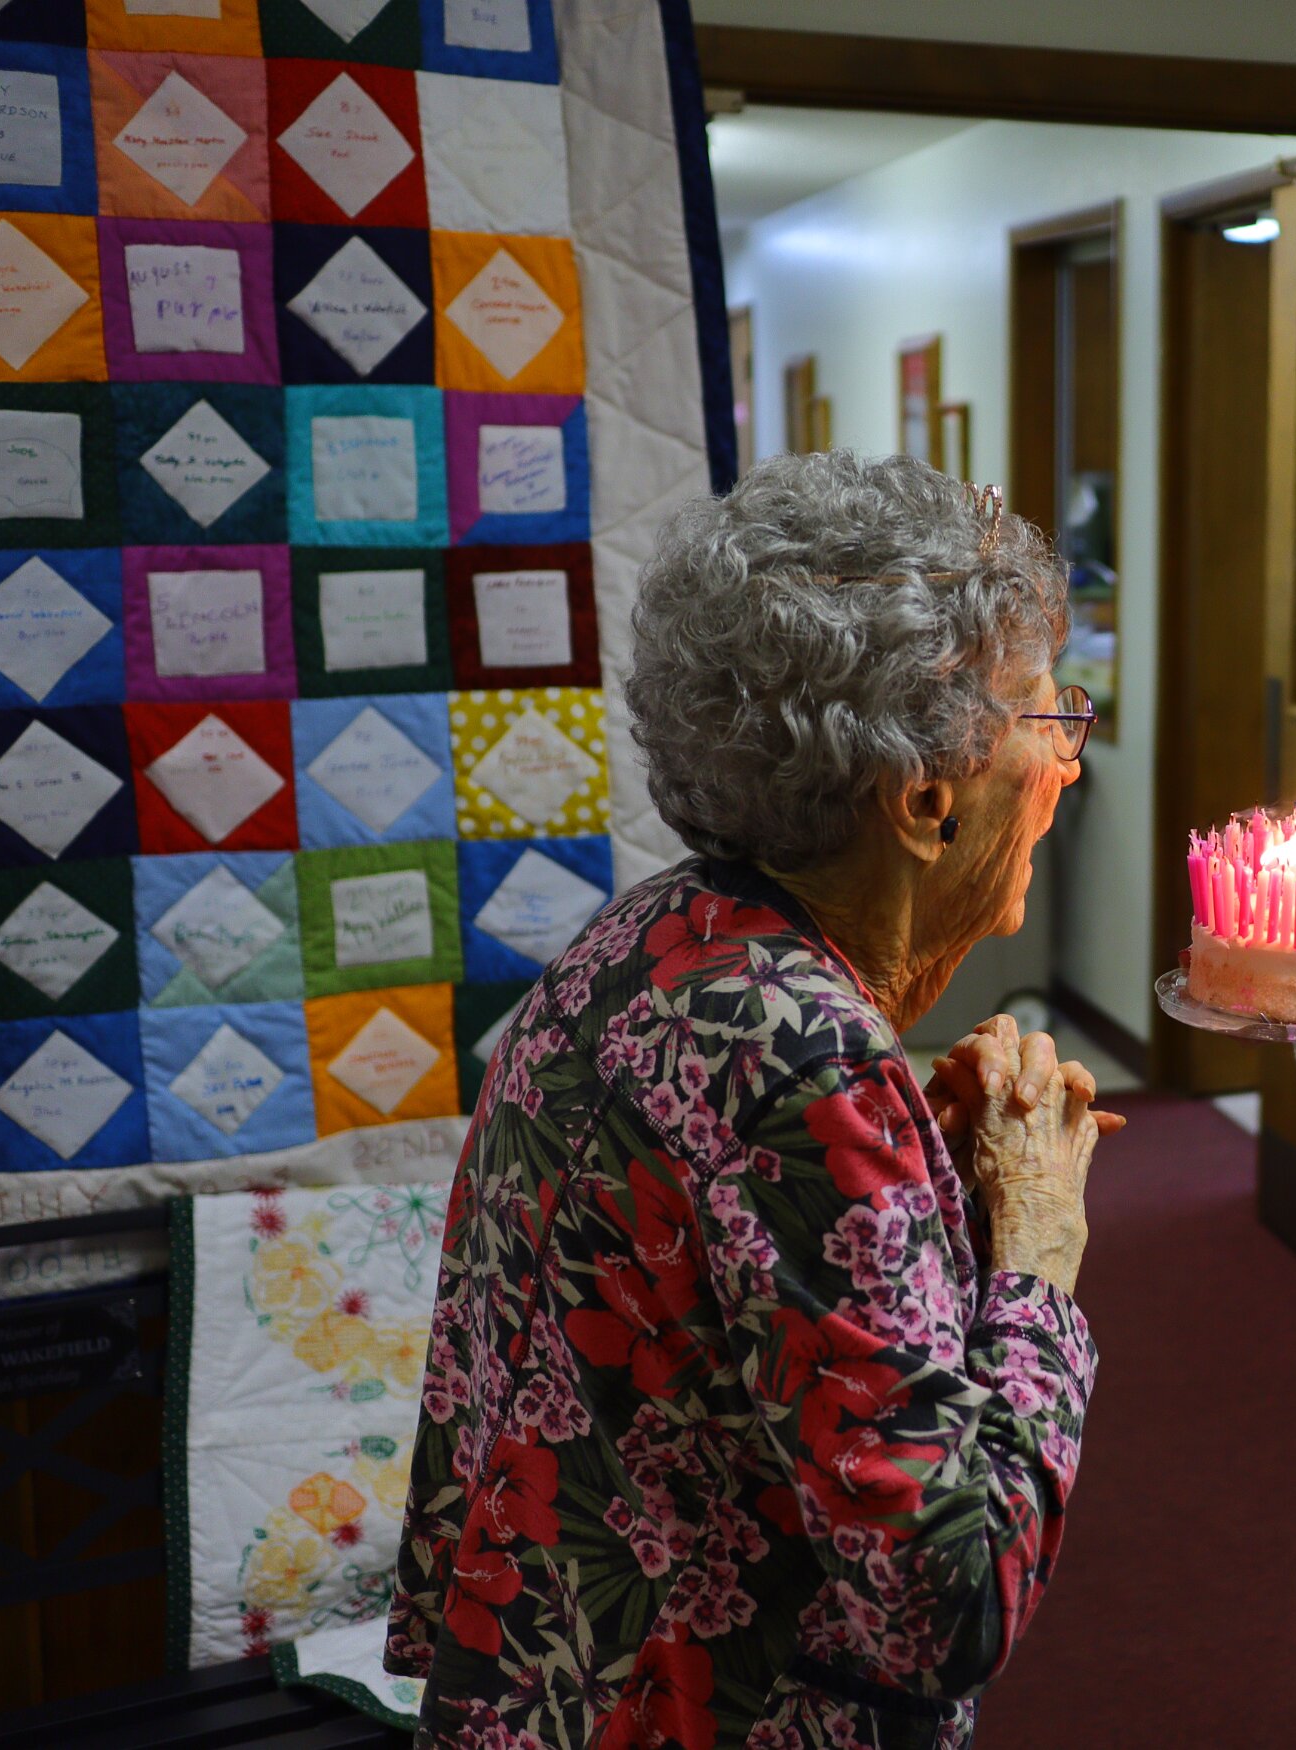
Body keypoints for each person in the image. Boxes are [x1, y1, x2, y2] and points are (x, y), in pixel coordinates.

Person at [390, 451, 1122, 1749]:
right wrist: (1037, 1247)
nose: (1068, 757)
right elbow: (951, 1601)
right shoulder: (811, 1065)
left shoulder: (648, 938)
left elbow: (719, 1331)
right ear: (926, 801)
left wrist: (922, 1184)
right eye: (1046, 714)